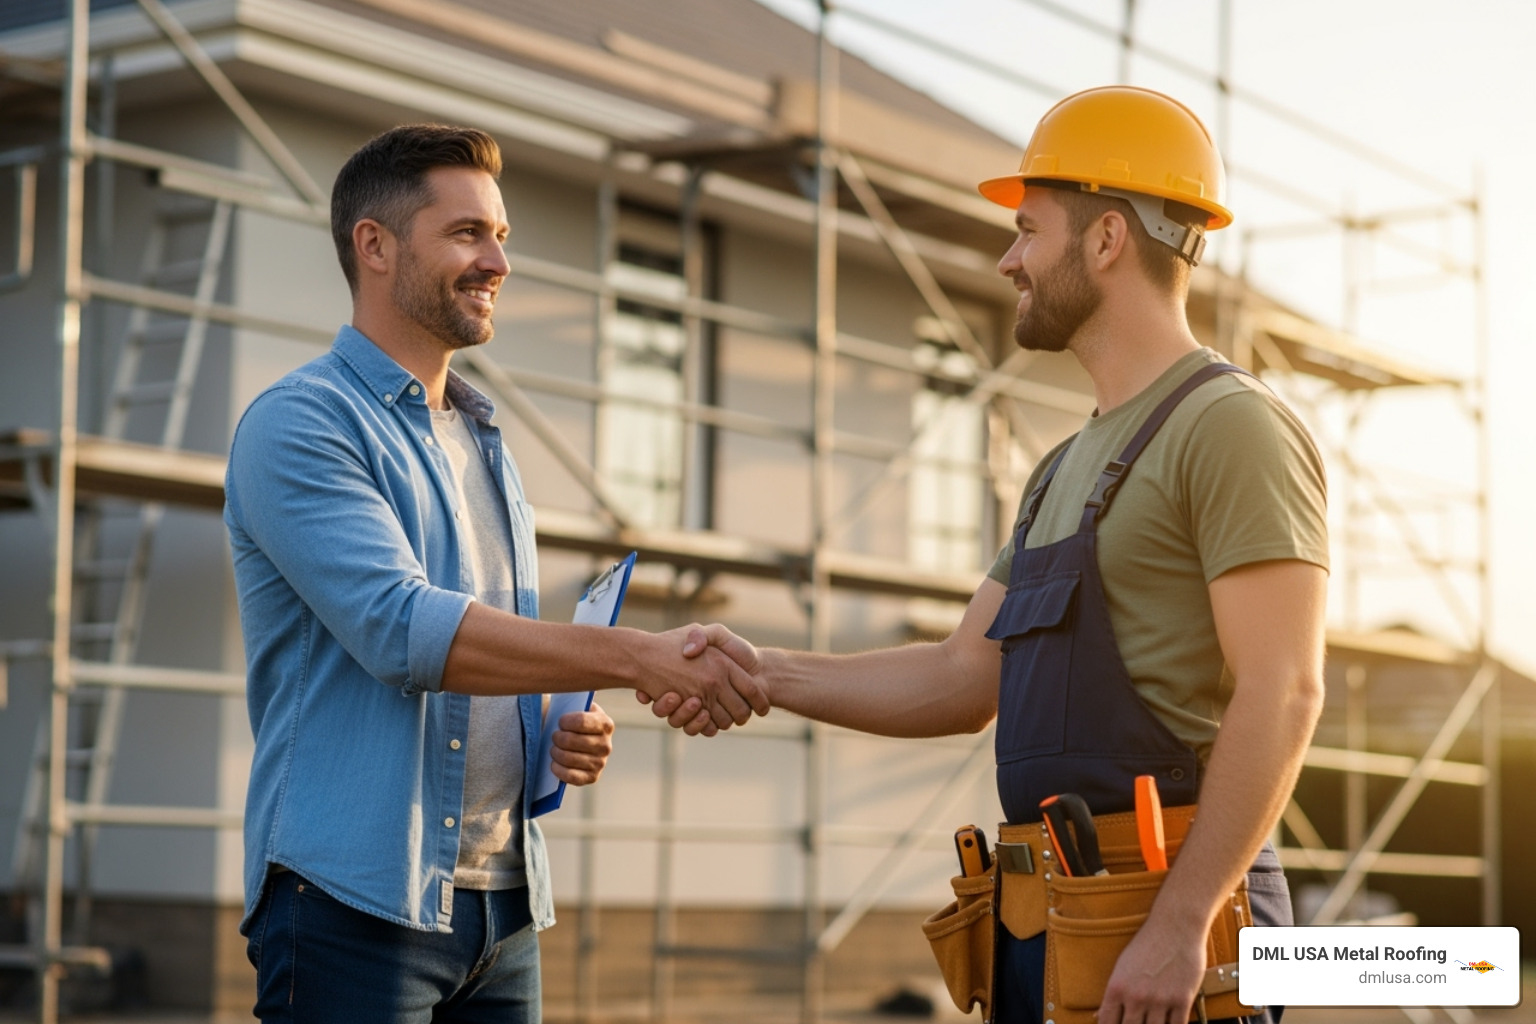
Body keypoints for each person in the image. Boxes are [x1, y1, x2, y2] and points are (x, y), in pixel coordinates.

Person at [654, 86, 1328, 1024]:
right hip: (1053, 918)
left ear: (1106, 240)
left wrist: (1183, 922)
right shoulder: (1061, 469)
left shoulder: (1232, 427)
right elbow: (960, 680)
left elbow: (1285, 691)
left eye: (1028, 231)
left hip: (1174, 926)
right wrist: (757, 670)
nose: (1008, 260)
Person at [224, 124, 765, 1023]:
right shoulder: (300, 425)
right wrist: (633, 657)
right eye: (469, 233)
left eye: (502, 237)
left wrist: (552, 732)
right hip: (352, 910)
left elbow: (479, 655)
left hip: (502, 911)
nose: (497, 262)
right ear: (375, 245)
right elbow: (402, 630)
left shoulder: (483, 439)